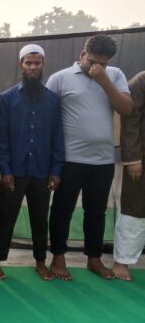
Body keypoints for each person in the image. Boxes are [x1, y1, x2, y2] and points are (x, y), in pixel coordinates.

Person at [46, 34, 133, 280]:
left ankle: (94, 259)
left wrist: (104, 81)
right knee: (62, 210)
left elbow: (126, 109)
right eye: (92, 61)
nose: (97, 67)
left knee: (96, 212)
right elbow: (46, 118)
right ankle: (58, 257)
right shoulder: (60, 78)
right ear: (82, 54)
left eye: (103, 63)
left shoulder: (114, 75)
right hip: (69, 160)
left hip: (103, 160)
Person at [0, 45, 63, 280]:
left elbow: (57, 137)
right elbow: (1, 138)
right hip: (15, 171)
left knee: (40, 218)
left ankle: (40, 262)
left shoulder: (53, 100)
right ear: (21, 64)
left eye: (37, 63)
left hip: (42, 170)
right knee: (5, 216)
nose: (33, 67)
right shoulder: (6, 99)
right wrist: (5, 170)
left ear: (43, 64)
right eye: (28, 63)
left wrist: (56, 170)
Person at [115, 70, 145, 281]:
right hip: (141, 159)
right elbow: (131, 118)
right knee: (134, 209)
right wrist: (133, 158)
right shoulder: (142, 80)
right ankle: (122, 261)